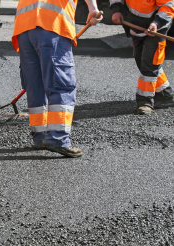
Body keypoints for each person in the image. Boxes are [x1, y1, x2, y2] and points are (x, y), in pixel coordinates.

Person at [12, 0, 102, 158]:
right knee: (60, 83)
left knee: (35, 85)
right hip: (51, 24)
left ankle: (40, 137)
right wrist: (93, 8)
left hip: (24, 27)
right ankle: (58, 138)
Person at [110, 0, 174, 115]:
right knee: (141, 61)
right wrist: (116, 10)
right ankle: (165, 93)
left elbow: (168, 6)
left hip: (157, 28)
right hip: (137, 26)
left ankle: (145, 102)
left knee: (149, 63)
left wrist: (156, 23)